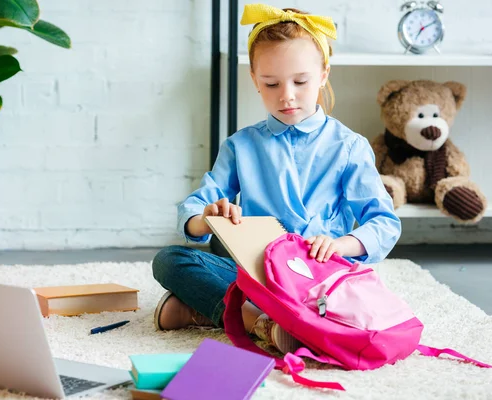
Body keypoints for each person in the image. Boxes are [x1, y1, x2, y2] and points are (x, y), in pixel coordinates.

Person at [152, 3, 401, 354]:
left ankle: (210, 311)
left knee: (350, 302)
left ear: (323, 74)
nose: (286, 95)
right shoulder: (241, 145)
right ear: (255, 79)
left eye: (300, 82)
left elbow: (384, 223)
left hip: (319, 276)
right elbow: (193, 208)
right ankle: (261, 321)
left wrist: (342, 244)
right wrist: (206, 218)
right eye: (271, 83)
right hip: (258, 276)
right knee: (169, 260)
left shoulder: (349, 146)